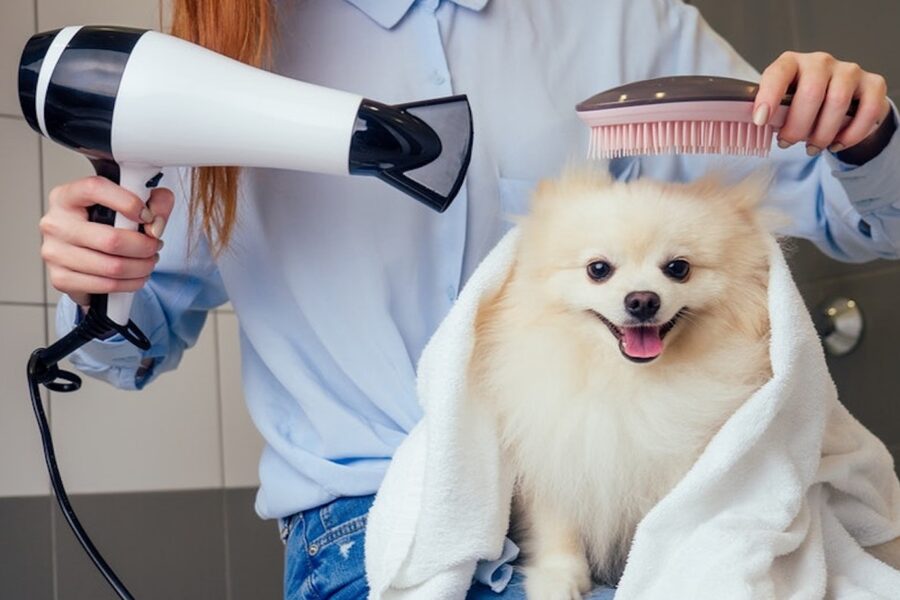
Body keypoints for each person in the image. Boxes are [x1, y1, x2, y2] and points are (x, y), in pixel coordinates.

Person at [38, 0, 900, 598]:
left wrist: (863, 136)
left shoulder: (624, 20)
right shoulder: (221, 62)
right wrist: (95, 279)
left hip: (629, 504)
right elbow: (128, 345)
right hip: (368, 528)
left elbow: (850, 216)